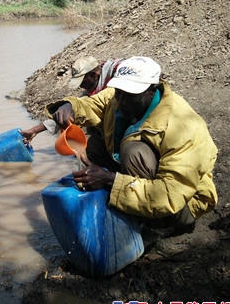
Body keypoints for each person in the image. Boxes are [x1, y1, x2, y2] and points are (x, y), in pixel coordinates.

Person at [46, 56, 218, 235]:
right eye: (119, 94)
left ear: (151, 90)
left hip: (182, 203)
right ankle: (117, 205)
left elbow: (170, 194)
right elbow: (95, 103)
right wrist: (70, 106)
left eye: (130, 96)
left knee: (133, 152)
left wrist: (109, 179)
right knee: (93, 143)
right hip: (141, 183)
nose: (121, 103)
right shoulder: (119, 97)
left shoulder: (182, 127)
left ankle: (152, 226)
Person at [20, 56, 123, 142]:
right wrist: (34, 130)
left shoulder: (118, 75)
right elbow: (70, 111)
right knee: (90, 126)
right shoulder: (92, 90)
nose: (80, 86)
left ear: (94, 75)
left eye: (82, 81)